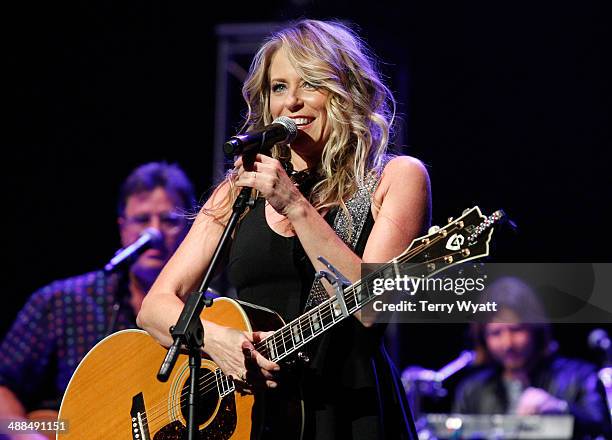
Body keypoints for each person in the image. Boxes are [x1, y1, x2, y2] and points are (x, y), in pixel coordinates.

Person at [138, 19, 431, 439]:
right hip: (253, 416)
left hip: (346, 411)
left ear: (345, 91)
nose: (290, 102)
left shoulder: (395, 178)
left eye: (309, 84)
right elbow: (154, 308)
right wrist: (217, 340)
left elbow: (371, 307)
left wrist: (295, 205)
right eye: (278, 88)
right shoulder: (239, 190)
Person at [0, 161, 195, 439]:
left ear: (190, 230)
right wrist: (25, 434)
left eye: (169, 220)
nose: (154, 234)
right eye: (142, 220)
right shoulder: (62, 301)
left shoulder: (207, 311)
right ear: (122, 227)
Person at [453, 276, 612, 439]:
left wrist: (559, 408)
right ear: (483, 337)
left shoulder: (579, 375)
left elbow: (602, 429)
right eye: (495, 333)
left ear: (535, 329)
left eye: (516, 330)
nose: (507, 343)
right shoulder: (472, 390)